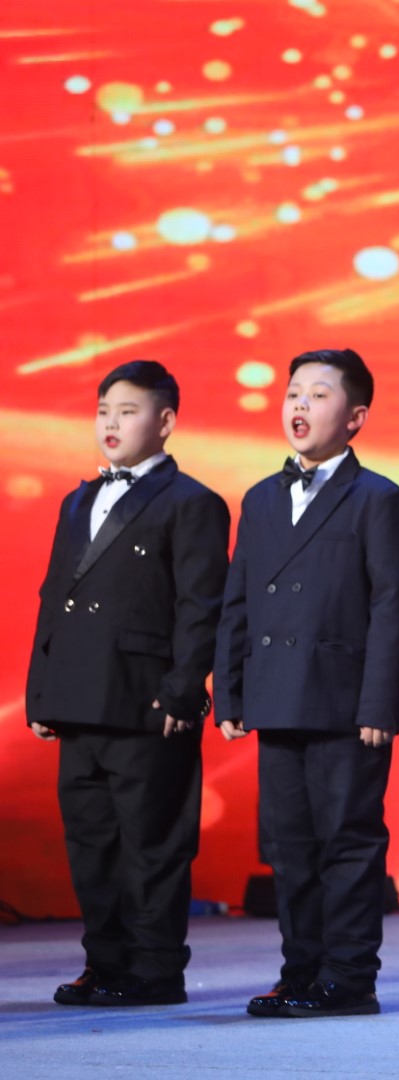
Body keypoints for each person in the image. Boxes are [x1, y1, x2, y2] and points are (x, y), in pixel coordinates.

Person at [214, 348, 399, 1018]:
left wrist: (380, 702)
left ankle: (349, 978)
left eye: (319, 394)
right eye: (293, 393)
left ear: (355, 417)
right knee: (289, 848)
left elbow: (394, 607)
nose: (300, 405)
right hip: (277, 696)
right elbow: (238, 600)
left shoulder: (379, 498)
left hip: (343, 702)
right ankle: (300, 971)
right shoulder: (260, 499)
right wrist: (231, 691)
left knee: (347, 840)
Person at [27, 360, 229, 1007]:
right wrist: (40, 690)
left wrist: (183, 688)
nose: (110, 423)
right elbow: (53, 596)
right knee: (91, 845)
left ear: (165, 422)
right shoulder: (77, 500)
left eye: (128, 411)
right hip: (78, 698)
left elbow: (201, 605)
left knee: (152, 843)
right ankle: (105, 964)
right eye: (103, 411)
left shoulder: (192, 502)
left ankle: (155, 970)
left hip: (147, 701)